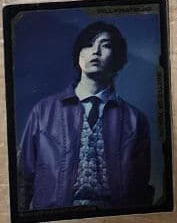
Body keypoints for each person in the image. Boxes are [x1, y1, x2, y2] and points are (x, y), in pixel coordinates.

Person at [16, 22, 153, 212]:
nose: (95, 51)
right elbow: (22, 180)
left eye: (105, 45)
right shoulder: (43, 112)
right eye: (88, 45)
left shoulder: (135, 120)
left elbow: (141, 188)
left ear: (117, 58)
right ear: (79, 55)